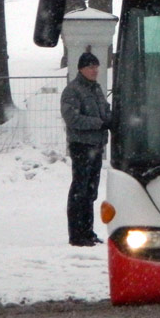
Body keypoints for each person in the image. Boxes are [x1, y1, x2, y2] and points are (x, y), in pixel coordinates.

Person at [61, 51, 111, 247]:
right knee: (79, 190)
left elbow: (105, 110)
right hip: (82, 146)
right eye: (91, 67)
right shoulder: (73, 91)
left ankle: (88, 232)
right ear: (81, 69)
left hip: (96, 145)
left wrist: (111, 118)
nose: (95, 70)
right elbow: (72, 118)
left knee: (90, 191)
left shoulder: (96, 89)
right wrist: (99, 123)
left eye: (96, 66)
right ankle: (77, 235)